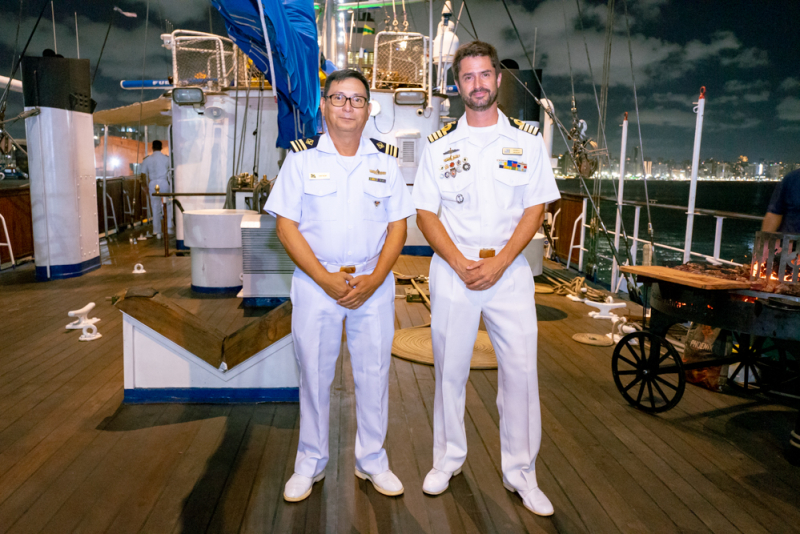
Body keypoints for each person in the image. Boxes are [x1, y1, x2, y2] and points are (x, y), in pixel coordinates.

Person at [412, 41, 561, 516]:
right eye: (467, 77)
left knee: (519, 375)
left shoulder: (526, 140)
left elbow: (535, 208)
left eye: (484, 75)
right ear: (458, 87)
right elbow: (425, 213)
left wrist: (498, 263)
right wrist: (458, 262)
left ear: (498, 80)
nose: (476, 84)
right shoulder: (440, 146)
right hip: (454, 272)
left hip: (510, 272)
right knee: (449, 372)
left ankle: (522, 473)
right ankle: (447, 460)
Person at [265, 69, 415, 502]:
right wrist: (324, 278)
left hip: (373, 281)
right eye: (339, 98)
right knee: (313, 375)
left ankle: (373, 461)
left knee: (374, 374)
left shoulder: (385, 162)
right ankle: (309, 463)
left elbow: (398, 229)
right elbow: (287, 227)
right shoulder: (301, 159)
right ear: (324, 106)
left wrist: (375, 278)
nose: (348, 107)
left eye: (357, 99)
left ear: (369, 109)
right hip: (317, 283)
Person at [139, 140, 172, 238]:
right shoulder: (166, 159)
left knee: (155, 207)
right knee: (168, 205)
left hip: (153, 184)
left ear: (152, 148)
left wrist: (144, 186)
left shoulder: (147, 160)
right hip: (164, 183)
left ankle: (157, 232)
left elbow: (143, 174)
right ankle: (169, 227)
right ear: (161, 147)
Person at [762, 168, 800, 233]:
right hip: (790, 240)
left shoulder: (792, 177)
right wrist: (764, 241)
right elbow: (774, 214)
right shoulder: (792, 178)